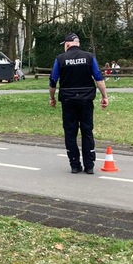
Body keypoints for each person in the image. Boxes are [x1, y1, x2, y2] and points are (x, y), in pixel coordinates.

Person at [48, 33, 108, 174]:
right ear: (78, 43)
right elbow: (98, 77)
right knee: (87, 131)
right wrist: (104, 96)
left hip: (68, 100)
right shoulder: (89, 57)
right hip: (86, 99)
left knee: (70, 132)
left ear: (68, 44)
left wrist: (52, 97)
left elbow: (53, 80)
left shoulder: (60, 59)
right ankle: (89, 165)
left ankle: (74, 164)